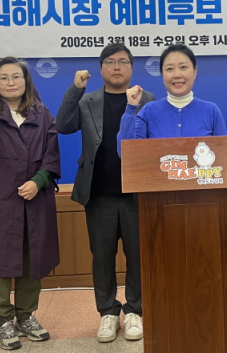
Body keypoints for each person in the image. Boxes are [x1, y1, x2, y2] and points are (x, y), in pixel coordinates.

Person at [56, 43, 154, 343]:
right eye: (110, 62)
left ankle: (135, 310)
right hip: (99, 194)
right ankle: (108, 313)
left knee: (139, 257)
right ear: (101, 68)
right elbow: (63, 125)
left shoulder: (147, 99)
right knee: (102, 258)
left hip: (137, 196)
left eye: (123, 61)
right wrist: (75, 89)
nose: (116, 67)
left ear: (132, 68)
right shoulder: (88, 100)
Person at [0, 57, 61, 350]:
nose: (11, 82)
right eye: (3, 78)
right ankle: (3, 320)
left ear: (26, 81)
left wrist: (39, 181)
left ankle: (26, 315)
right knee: (1, 260)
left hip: (34, 197)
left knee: (33, 257)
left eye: (16, 77)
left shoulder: (42, 114)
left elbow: (52, 155)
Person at [117, 44, 226, 147]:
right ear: (162, 73)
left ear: (195, 71)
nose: (177, 75)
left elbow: (224, 153)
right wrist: (130, 109)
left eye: (183, 67)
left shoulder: (211, 111)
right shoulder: (149, 111)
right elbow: (125, 151)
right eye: (169, 69)